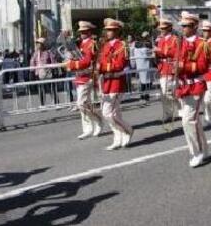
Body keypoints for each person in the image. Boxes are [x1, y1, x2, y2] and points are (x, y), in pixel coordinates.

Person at [173, 12, 209, 167]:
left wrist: (183, 66)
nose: (183, 29)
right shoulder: (180, 43)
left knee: (188, 120)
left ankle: (197, 152)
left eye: (187, 26)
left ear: (195, 26)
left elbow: (202, 66)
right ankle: (204, 149)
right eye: (182, 26)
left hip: (196, 84)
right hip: (184, 84)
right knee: (193, 120)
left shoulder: (202, 43)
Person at [97, 19, 134, 150]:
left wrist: (102, 67)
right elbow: (101, 62)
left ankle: (128, 129)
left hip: (117, 81)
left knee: (108, 113)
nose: (108, 32)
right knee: (115, 113)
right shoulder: (105, 46)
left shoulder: (122, 45)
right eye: (107, 30)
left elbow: (119, 65)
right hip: (107, 82)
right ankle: (118, 137)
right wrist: (97, 67)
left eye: (111, 30)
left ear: (117, 31)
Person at [64, 21, 103, 139]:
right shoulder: (80, 44)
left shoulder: (92, 44)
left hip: (88, 76)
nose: (82, 34)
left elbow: (87, 61)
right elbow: (76, 55)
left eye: (84, 32)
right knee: (85, 104)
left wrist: (72, 64)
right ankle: (88, 128)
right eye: (81, 32)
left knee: (81, 103)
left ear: (89, 32)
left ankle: (97, 119)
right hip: (80, 76)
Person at [154, 19, 180, 122]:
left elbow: (175, 53)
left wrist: (159, 51)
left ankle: (180, 108)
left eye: (164, 28)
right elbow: (159, 54)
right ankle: (167, 113)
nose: (162, 30)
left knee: (169, 92)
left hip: (170, 67)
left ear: (169, 28)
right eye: (161, 28)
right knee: (163, 93)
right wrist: (155, 53)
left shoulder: (175, 39)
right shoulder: (160, 40)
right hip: (162, 67)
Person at [30, 38, 59, 106]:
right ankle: (42, 104)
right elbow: (32, 62)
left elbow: (53, 61)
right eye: (37, 43)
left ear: (43, 44)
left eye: (39, 43)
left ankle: (55, 102)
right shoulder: (35, 53)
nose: (37, 45)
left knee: (52, 89)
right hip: (39, 74)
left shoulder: (48, 52)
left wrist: (54, 69)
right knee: (41, 89)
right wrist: (31, 72)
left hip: (48, 73)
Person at [134, 31, 154, 101]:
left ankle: (145, 95)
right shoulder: (145, 45)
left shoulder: (141, 44)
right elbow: (149, 54)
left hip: (144, 66)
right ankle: (144, 96)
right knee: (145, 82)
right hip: (144, 66)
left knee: (145, 81)